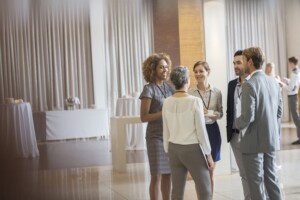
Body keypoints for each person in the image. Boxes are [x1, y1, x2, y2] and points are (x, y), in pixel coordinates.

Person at [236, 47, 283, 200]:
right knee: (272, 180)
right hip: (270, 139)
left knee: (255, 184)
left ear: (250, 62)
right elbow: (279, 112)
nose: (241, 65)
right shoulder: (274, 82)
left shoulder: (249, 85)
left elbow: (247, 117)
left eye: (242, 61)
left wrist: (234, 124)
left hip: (252, 143)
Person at [162, 66, 214, 200]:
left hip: (173, 149)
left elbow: (165, 129)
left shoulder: (167, 102)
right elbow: (201, 131)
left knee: (177, 192)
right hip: (192, 149)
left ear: (173, 82)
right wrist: (208, 154)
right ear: (187, 81)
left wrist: (168, 150)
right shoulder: (195, 101)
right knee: (205, 190)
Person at [139, 53, 175, 200]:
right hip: (155, 137)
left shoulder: (170, 88)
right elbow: (144, 117)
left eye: (166, 67)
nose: (165, 70)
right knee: (157, 174)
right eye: (161, 67)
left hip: (170, 136)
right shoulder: (149, 89)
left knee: (168, 173)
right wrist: (163, 113)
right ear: (153, 69)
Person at [188, 61, 222, 194]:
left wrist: (209, 113)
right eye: (195, 71)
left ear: (208, 72)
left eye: (201, 71)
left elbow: (221, 114)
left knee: (211, 170)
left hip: (213, 131)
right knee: (200, 174)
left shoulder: (217, 92)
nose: (198, 74)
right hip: (197, 132)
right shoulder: (190, 92)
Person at [226, 50, 251, 200]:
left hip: (251, 134)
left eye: (238, 63)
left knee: (255, 172)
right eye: (234, 63)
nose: (235, 66)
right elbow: (230, 109)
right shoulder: (231, 85)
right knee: (243, 173)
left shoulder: (254, 83)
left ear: (248, 63)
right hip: (235, 135)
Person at [282, 57, 300, 145]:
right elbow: (293, 83)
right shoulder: (296, 71)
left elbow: (291, 88)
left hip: (293, 97)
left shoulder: (294, 73)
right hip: (295, 96)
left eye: (289, 63)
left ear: (292, 63)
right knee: (297, 117)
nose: (288, 65)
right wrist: (288, 80)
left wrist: (281, 84)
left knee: (296, 118)